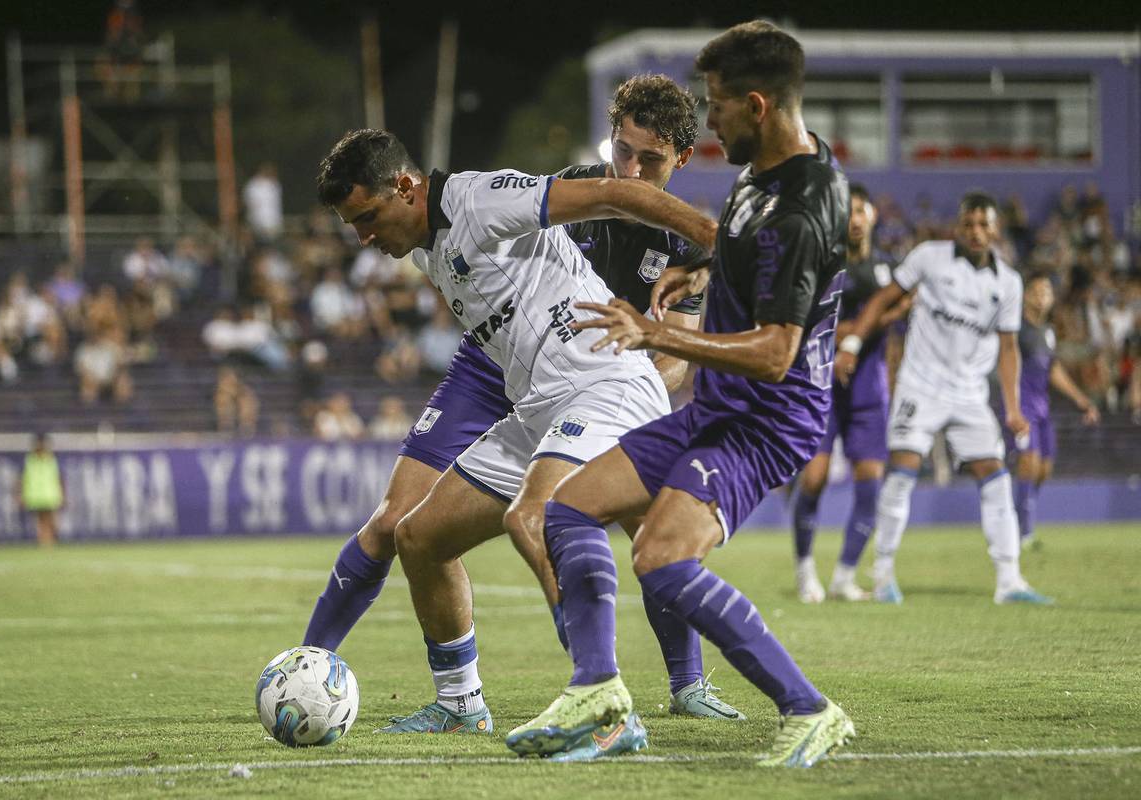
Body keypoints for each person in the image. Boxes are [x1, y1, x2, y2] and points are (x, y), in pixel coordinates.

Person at [301, 77, 740, 744]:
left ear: (408, 189)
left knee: (539, 517)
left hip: (605, 383)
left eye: (367, 219)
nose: (363, 237)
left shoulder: (481, 199)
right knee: (418, 536)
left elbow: (617, 197)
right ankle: (460, 703)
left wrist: (717, 241)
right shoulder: (421, 239)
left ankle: (602, 701)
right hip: (532, 393)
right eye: (352, 226)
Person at [509, 21, 853, 767]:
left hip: (765, 419)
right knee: (566, 509)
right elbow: (756, 256)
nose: (712, 116)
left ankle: (810, 708)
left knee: (661, 560)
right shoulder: (770, 169)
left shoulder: (799, 206)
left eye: (718, 103)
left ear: (756, 104)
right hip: (719, 407)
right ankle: (599, 694)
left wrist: (655, 334)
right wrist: (702, 274)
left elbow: (774, 354)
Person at [836, 192, 1053, 606]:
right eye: (967, 224)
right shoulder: (929, 257)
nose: (975, 232)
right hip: (921, 385)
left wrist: (1011, 408)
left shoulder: (1008, 282)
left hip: (970, 393)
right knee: (902, 473)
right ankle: (882, 576)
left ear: (995, 230)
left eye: (983, 224)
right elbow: (884, 299)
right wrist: (851, 341)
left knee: (994, 475)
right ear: (958, 226)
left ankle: (1009, 580)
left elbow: (1009, 348)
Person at [791, 184, 909, 602]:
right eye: (849, 212)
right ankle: (805, 571)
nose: (855, 219)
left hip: (869, 388)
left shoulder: (887, 270)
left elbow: (893, 325)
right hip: (822, 383)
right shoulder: (825, 267)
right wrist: (853, 334)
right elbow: (806, 322)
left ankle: (843, 576)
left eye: (861, 210)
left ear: (874, 216)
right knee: (816, 476)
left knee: (869, 482)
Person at [1010, 273, 1099, 547]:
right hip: (1022, 404)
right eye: (1037, 291)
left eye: (1047, 292)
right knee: (1029, 462)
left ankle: (1020, 519)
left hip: (1042, 406)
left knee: (1045, 469)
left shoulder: (1046, 332)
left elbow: (1052, 370)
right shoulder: (1016, 329)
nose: (1043, 297)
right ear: (1026, 295)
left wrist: (1081, 399)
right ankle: (1022, 532)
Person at [19, 433, 63, 547]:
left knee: (51, 520)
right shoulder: (30, 460)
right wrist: (21, 495)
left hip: (50, 494)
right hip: (35, 495)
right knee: (40, 520)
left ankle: (49, 540)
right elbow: (22, 479)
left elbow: (59, 478)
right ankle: (44, 542)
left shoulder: (51, 459)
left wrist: (62, 493)